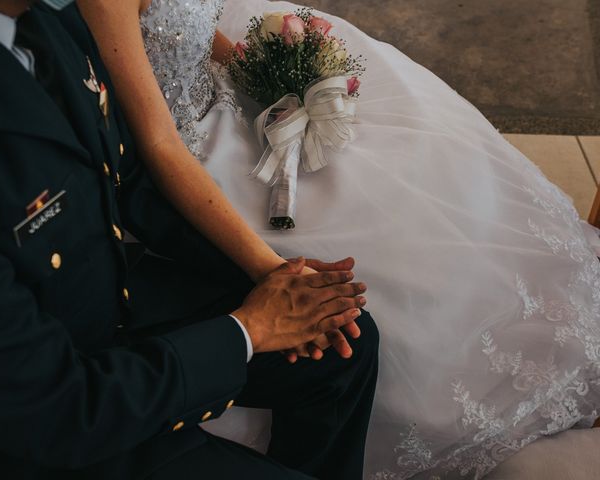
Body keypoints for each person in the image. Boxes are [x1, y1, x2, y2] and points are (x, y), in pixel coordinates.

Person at [76, 0, 600, 478]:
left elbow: (184, 25)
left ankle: (541, 333)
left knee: (410, 167)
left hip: (223, 98)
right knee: (367, 259)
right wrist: (272, 269)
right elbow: (159, 142)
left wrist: (266, 74)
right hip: (181, 154)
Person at [0, 1, 381, 479]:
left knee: (344, 337)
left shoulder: (43, 24)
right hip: (56, 413)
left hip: (105, 304)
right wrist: (249, 329)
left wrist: (273, 275)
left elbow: (125, 176)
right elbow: (58, 409)